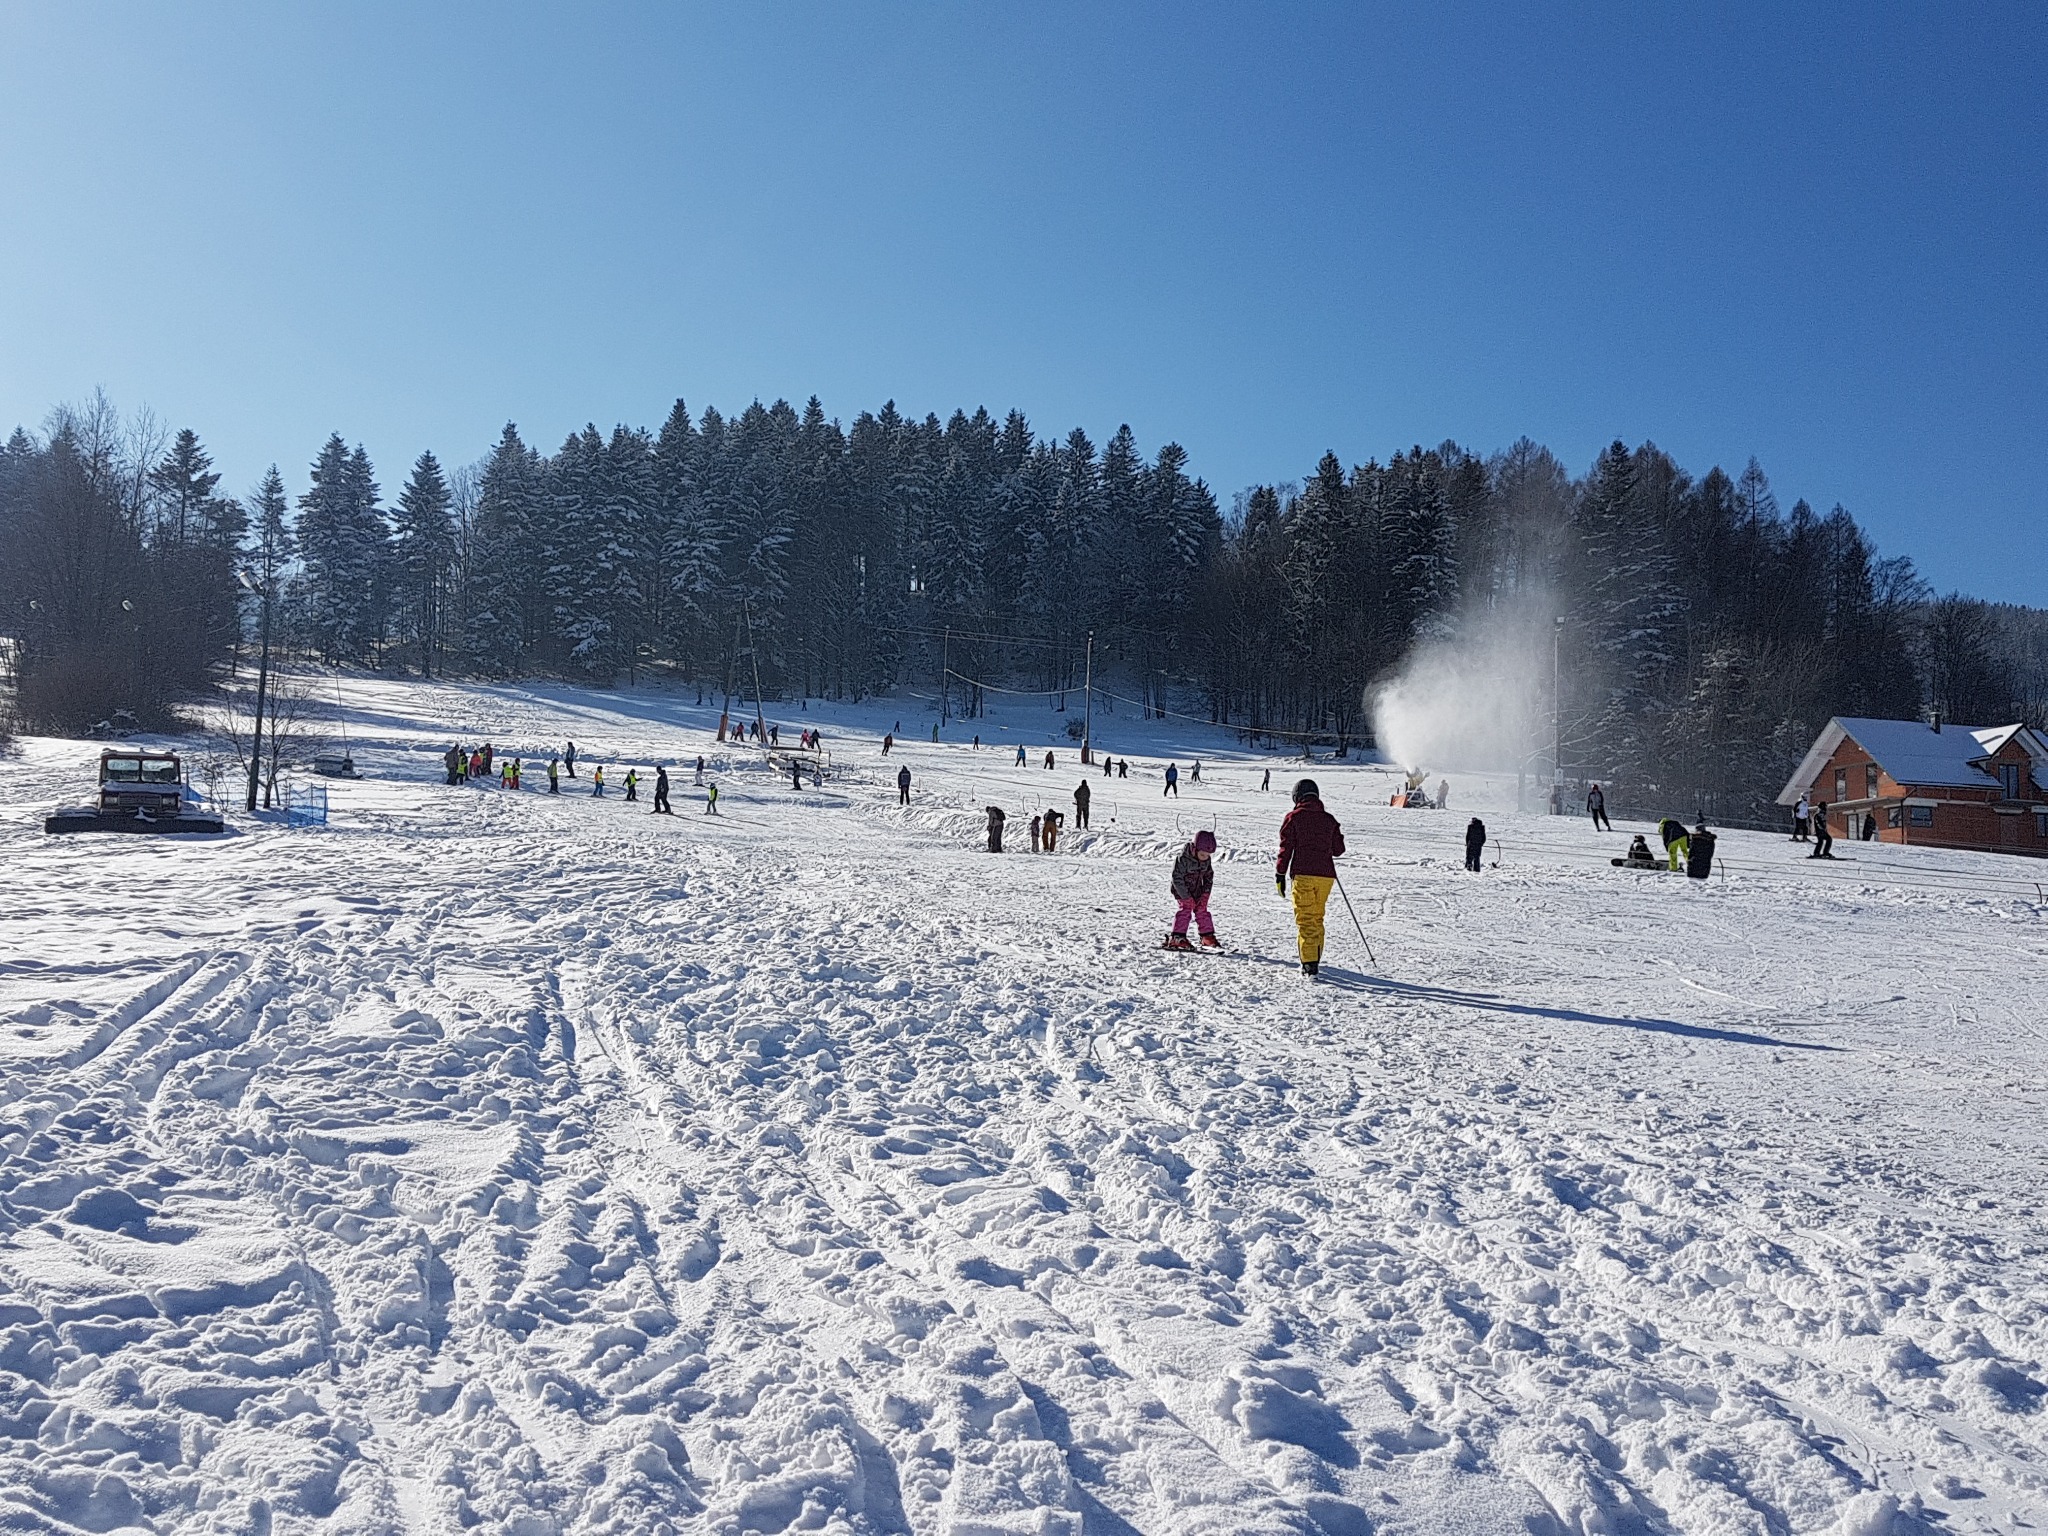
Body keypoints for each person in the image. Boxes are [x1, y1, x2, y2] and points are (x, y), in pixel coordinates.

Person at [1277, 780, 1345, 978]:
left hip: (1303, 874)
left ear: (1297, 798)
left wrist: (1280, 874)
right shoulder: (1329, 819)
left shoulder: (1294, 817)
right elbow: (1339, 850)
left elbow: (1285, 848)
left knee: (1306, 919)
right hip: (1325, 877)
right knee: (1316, 917)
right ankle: (1314, 957)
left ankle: (1309, 965)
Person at [1164, 830, 1220, 950]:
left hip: (1197, 890)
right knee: (1186, 909)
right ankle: (1177, 938)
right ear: (1195, 849)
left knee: (1202, 910)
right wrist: (1185, 896)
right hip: (1181, 890)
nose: (1205, 858)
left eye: (1208, 855)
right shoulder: (1183, 859)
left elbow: (1209, 877)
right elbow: (1176, 878)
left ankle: (1207, 937)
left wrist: (1205, 894)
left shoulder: (1206, 860)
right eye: (1203, 855)